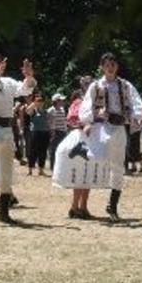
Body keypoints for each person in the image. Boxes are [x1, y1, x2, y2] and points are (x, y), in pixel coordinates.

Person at [79, 53, 142, 221]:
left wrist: (136, 117)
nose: (110, 67)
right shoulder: (96, 86)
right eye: (107, 64)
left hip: (119, 127)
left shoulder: (125, 85)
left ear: (117, 66)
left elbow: (137, 103)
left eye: (113, 64)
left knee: (118, 167)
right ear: (102, 67)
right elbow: (86, 106)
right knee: (96, 159)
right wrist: (88, 121)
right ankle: (81, 202)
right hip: (101, 126)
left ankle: (112, 205)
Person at [0, 51, 36, 223]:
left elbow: (24, 89)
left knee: (6, 170)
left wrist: (29, 76)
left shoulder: (9, 82)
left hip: (6, 125)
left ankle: (3, 211)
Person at [52, 81, 112, 219]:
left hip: (95, 139)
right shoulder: (78, 102)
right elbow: (71, 119)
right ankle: (74, 206)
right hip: (80, 138)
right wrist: (86, 122)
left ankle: (83, 207)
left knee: (89, 172)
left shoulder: (99, 103)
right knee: (80, 172)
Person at [25, 92, 51, 176]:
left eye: (41, 100)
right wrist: (34, 103)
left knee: (43, 152)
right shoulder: (33, 111)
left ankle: (41, 170)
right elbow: (27, 111)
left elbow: (49, 122)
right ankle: (30, 170)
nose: (40, 102)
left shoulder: (46, 111)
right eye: (38, 100)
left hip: (45, 133)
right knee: (32, 151)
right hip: (35, 133)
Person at [46, 93, 68, 170]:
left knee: (62, 149)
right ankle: (52, 166)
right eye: (61, 100)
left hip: (63, 132)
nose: (63, 102)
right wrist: (52, 133)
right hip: (55, 132)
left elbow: (64, 121)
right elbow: (49, 123)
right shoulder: (50, 110)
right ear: (56, 101)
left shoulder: (62, 110)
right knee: (53, 150)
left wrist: (65, 131)